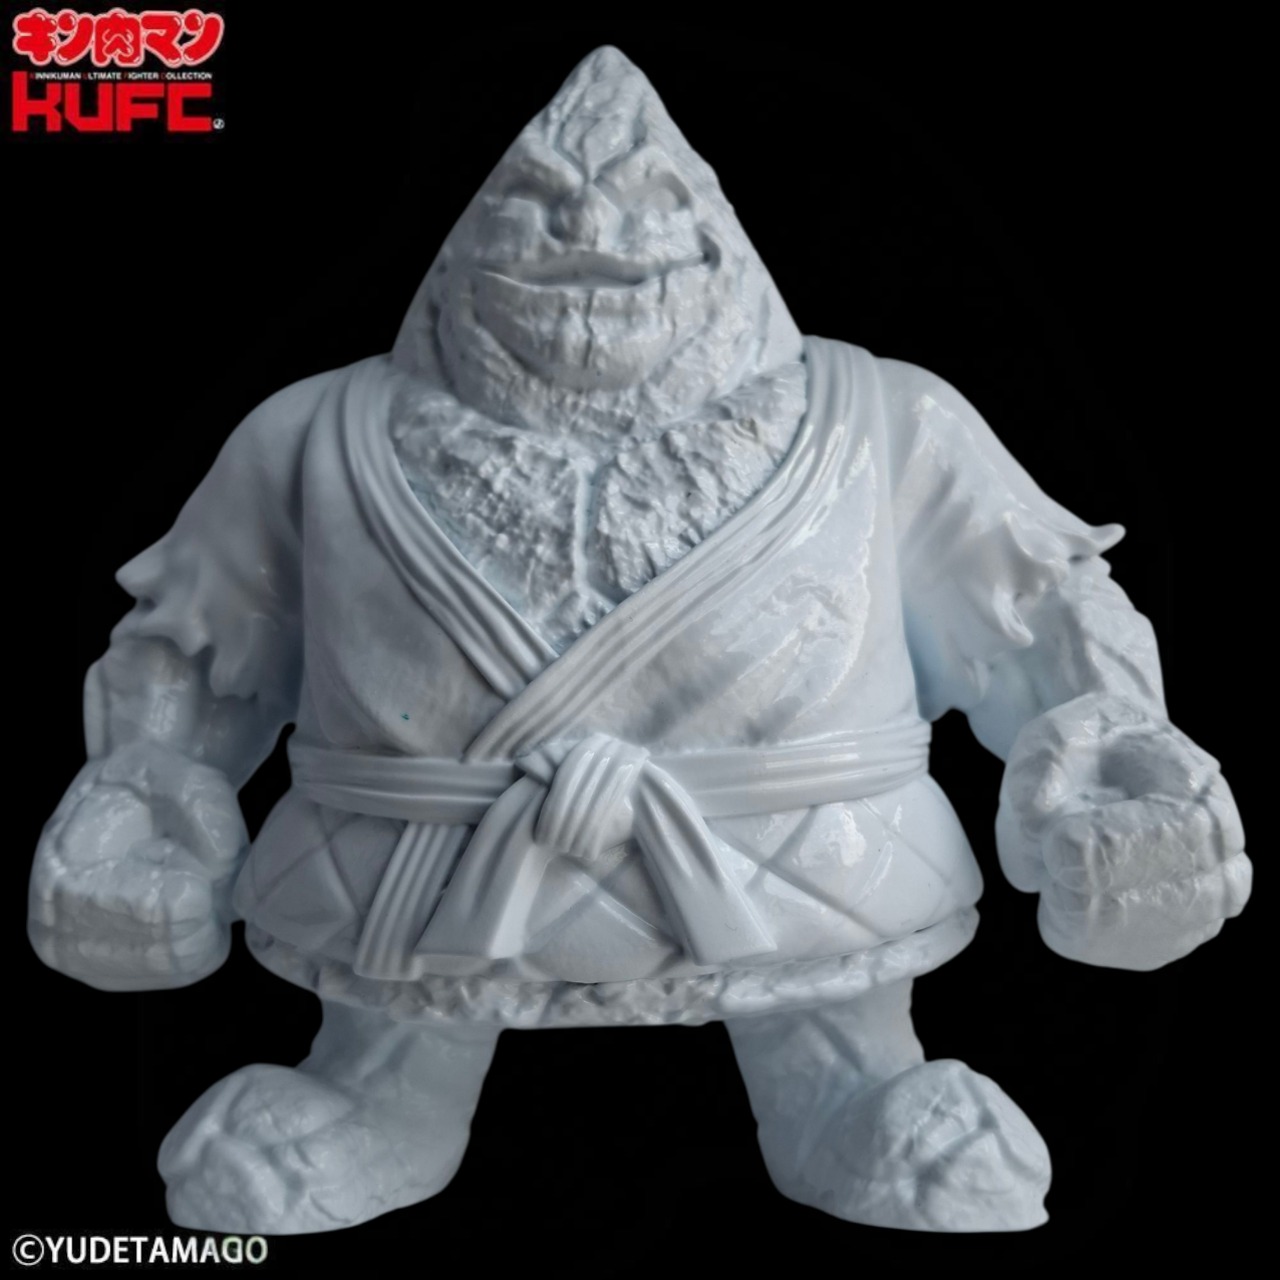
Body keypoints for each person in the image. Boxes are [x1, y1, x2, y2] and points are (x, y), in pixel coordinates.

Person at [28, 46, 1249, 1235]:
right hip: (415, 875)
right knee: (391, 1022)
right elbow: (199, 640)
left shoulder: (882, 419)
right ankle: (376, 1096)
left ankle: (848, 1091)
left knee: (837, 1021)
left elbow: (1036, 608)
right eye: (543, 204)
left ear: (712, 235)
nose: (590, 232)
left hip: (806, 867)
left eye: (641, 200)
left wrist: (1107, 758)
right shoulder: (312, 434)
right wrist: (150, 789)